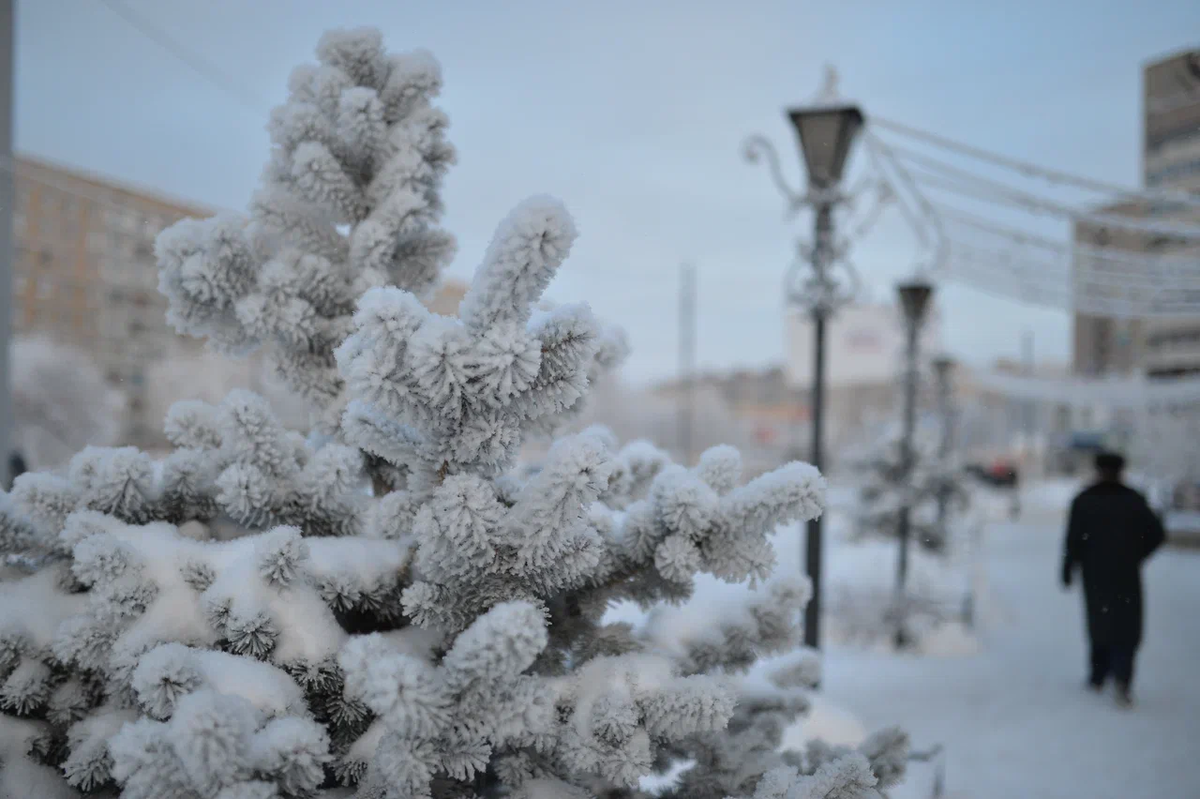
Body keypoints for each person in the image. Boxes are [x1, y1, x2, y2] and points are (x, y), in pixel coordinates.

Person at [1061, 451, 1165, 707]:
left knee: (1100, 622)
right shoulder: (1132, 500)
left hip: (1096, 573)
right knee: (1126, 627)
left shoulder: (1085, 500)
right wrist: (1137, 554)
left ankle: (1099, 676)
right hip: (1125, 573)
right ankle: (1122, 678)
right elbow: (1156, 534)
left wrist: (1068, 567)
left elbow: (1073, 539)